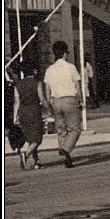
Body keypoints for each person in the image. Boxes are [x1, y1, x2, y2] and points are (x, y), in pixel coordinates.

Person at [41, 41, 83, 169]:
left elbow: (47, 89)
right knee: (75, 129)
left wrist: (49, 104)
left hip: (56, 101)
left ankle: (66, 156)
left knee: (61, 129)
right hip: (70, 100)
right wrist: (81, 100)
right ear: (65, 53)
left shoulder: (49, 69)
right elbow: (77, 86)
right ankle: (66, 149)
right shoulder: (70, 67)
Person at [11, 64, 45, 169]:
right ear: (33, 71)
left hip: (23, 113)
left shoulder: (18, 85)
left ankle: (37, 161)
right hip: (34, 111)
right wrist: (49, 108)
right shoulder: (37, 83)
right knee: (37, 139)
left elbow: (17, 102)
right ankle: (25, 155)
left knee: (30, 138)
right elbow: (42, 99)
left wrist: (15, 117)